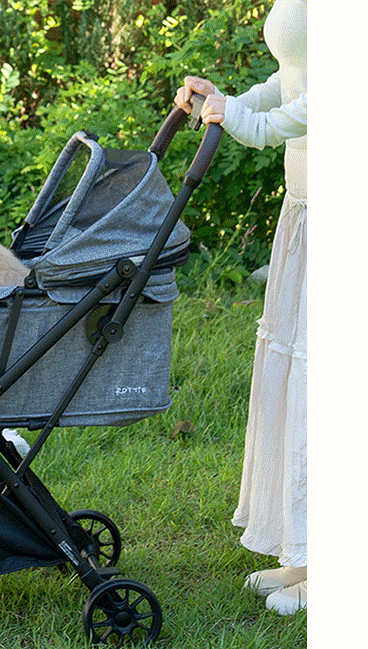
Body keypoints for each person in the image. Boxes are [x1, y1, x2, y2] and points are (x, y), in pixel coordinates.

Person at [174, 0, 307, 615]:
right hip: (307, 198)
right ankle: (312, 551)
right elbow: (297, 74)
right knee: (305, 381)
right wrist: (230, 103)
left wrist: (251, 124)